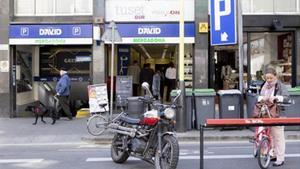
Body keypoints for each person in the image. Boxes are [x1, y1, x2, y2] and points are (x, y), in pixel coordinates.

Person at [257, 67, 290, 167]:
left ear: (275, 76)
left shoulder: (281, 86)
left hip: (278, 114)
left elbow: (287, 97)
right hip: (266, 114)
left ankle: (280, 158)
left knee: (278, 137)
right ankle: (273, 154)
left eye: (271, 78)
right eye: (267, 78)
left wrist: (276, 98)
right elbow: (258, 97)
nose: (269, 80)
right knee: (269, 136)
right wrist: (261, 99)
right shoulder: (264, 86)